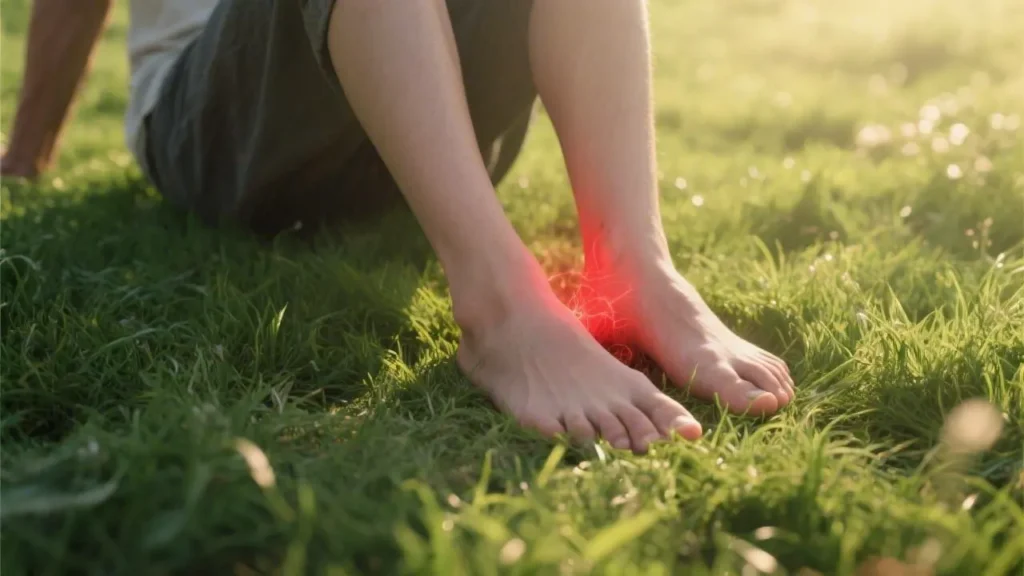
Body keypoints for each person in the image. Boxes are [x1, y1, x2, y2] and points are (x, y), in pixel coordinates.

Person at [2, 0, 795, 454]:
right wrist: (26, 155)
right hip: (217, 133)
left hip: (414, 121)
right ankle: (500, 306)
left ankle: (633, 266)